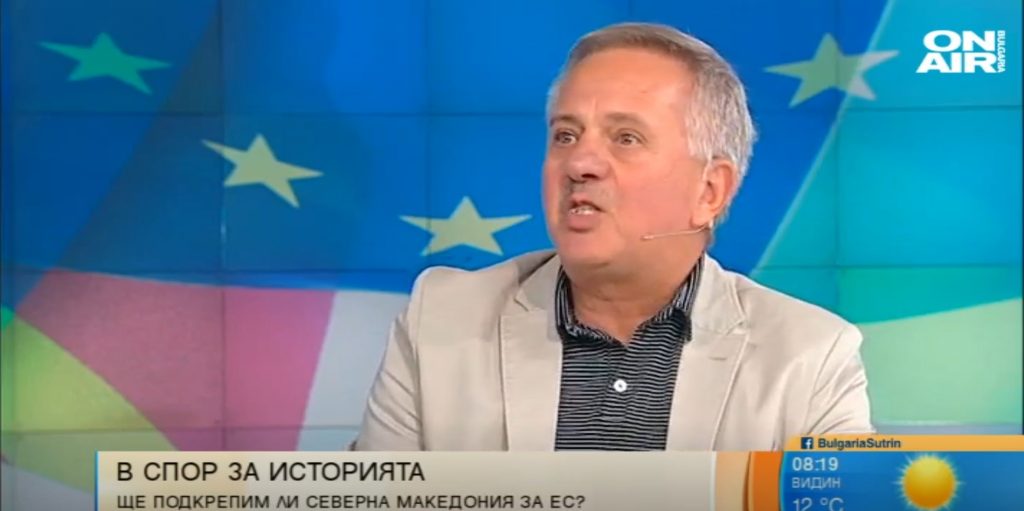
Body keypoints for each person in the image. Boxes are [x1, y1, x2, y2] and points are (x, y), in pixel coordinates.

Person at [352, 22, 873, 451]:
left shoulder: (809, 358)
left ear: (709, 191)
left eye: (626, 138)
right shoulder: (440, 322)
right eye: (565, 135)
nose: (580, 162)